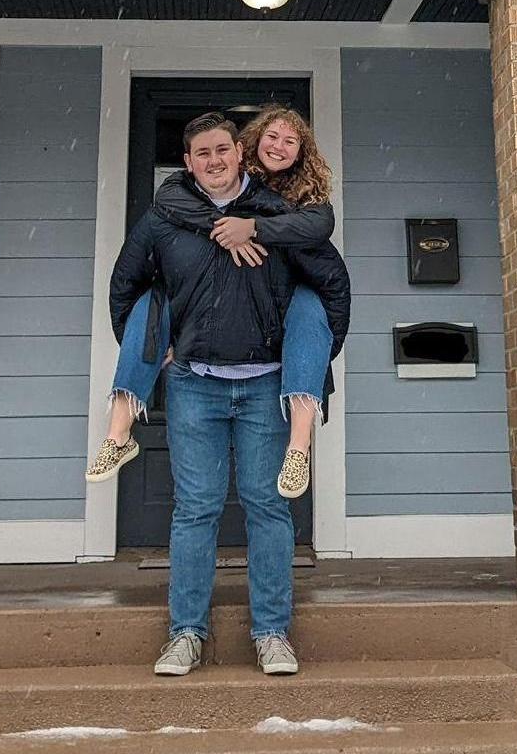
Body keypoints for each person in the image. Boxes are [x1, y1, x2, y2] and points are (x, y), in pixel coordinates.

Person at [105, 111, 350, 677]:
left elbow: (330, 281)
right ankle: (186, 633)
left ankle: (271, 634)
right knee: (196, 510)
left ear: (239, 153)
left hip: (265, 383)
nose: (214, 161)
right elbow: (127, 283)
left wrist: (312, 358)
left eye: (222, 150)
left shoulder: (276, 212)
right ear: (188, 163)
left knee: (269, 507)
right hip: (196, 385)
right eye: (202, 154)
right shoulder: (165, 218)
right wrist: (153, 350)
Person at [88, 105, 343, 499]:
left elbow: (323, 240)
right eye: (271, 138)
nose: (278, 147)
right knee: (151, 299)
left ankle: (299, 446)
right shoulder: (183, 196)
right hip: (196, 365)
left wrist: (255, 227)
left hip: (268, 353)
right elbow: (162, 215)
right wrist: (223, 227)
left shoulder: (301, 198)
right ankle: (119, 430)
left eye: (290, 141)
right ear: (251, 146)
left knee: (311, 305)